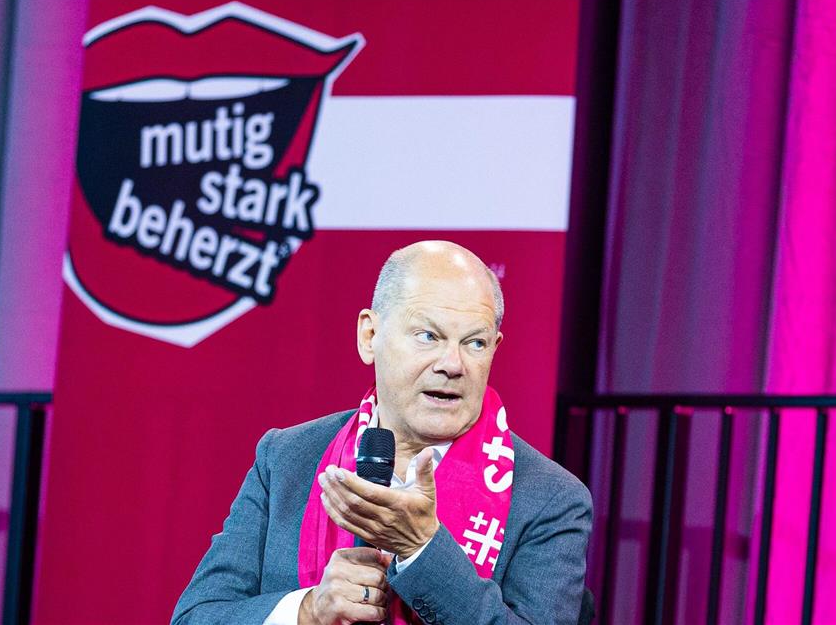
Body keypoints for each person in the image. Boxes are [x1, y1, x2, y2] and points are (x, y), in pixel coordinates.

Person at [172, 240, 592, 625]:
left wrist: (422, 550)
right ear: (369, 335)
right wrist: (309, 610)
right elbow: (196, 616)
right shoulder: (287, 458)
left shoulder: (549, 499)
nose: (453, 364)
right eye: (428, 336)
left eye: (475, 343)